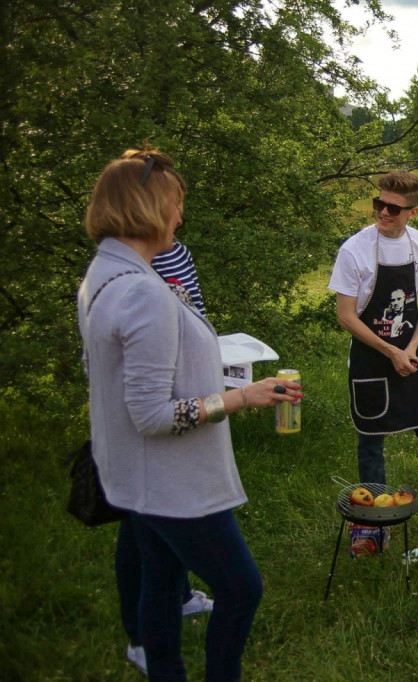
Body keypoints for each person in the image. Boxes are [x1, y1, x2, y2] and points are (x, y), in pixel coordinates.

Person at [78, 148, 302, 681]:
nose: (180, 215)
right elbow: (153, 414)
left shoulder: (105, 273)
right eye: (176, 203)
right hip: (171, 480)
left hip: (135, 476)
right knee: (241, 588)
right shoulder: (141, 292)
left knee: (159, 578)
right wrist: (241, 397)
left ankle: (165, 672)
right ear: (151, 207)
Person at [328, 171, 418, 507]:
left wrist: (412, 346)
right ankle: (374, 525)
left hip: (411, 349)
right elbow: (345, 315)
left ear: (412, 213)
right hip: (370, 357)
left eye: (393, 208)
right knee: (371, 439)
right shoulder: (354, 250)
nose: (384, 213)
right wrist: (392, 352)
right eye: (380, 204)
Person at [115, 239, 211, 675]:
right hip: (149, 411)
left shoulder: (177, 252)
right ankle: (139, 637)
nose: (179, 215)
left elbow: (195, 314)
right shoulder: (123, 267)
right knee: (141, 522)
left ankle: (180, 596)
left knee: (172, 509)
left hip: (186, 403)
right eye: (173, 202)